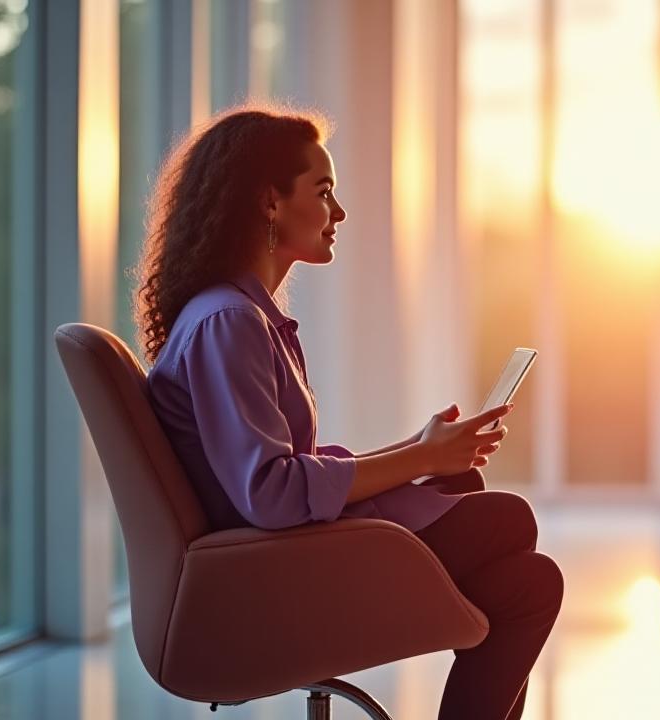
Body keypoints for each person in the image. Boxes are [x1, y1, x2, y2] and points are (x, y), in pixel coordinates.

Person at [139, 107, 562, 720]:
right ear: (270, 202)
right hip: (270, 575)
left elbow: (282, 475)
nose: (339, 213)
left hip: (275, 554)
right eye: (324, 192)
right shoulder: (230, 323)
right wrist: (418, 457)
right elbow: (273, 492)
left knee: (524, 578)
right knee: (507, 519)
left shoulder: (238, 316)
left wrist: (421, 450)